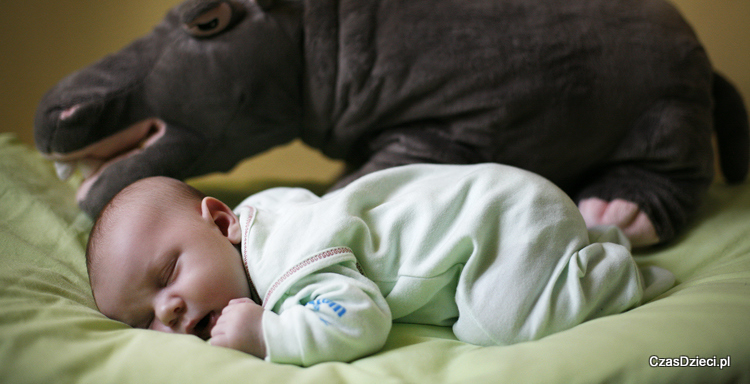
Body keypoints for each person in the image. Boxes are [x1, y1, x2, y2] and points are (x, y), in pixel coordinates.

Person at [86, 163, 674, 366]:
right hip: (503, 205)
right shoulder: (262, 218)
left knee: (499, 324)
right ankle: (583, 234)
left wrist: (270, 334)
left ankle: (611, 271)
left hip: (498, 221)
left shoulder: (285, 255)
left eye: (167, 277)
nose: (168, 310)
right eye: (145, 321)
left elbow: (360, 318)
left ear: (220, 223)